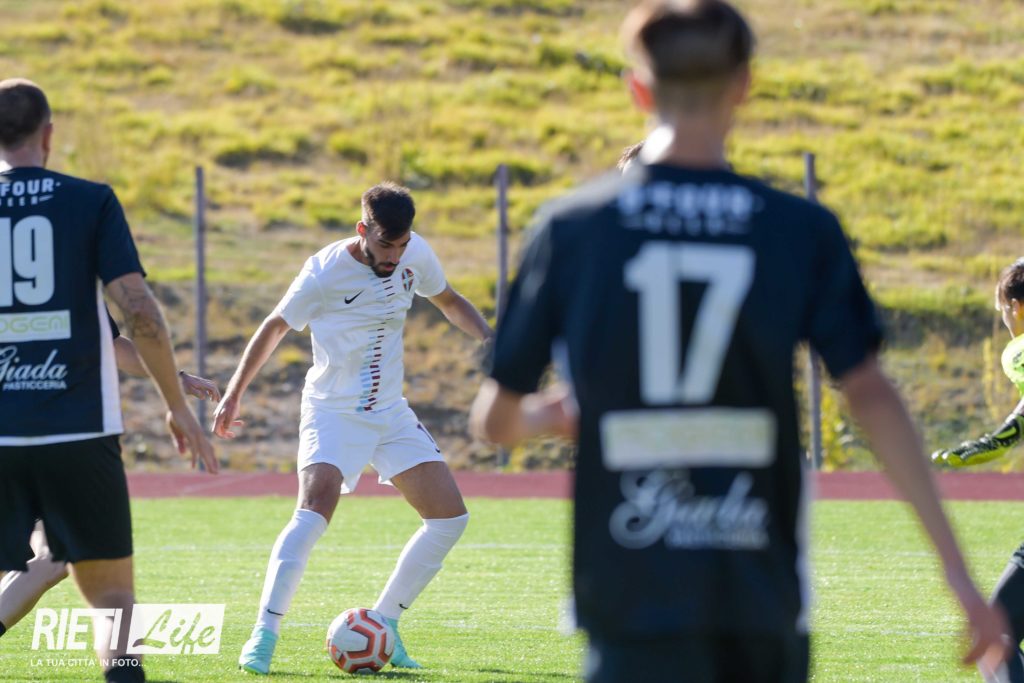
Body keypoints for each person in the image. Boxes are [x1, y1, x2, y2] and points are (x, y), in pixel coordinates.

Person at [469, 2, 1009, 682]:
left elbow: (494, 422)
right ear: (744, 86)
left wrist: (555, 415)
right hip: (759, 593)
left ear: (638, 89)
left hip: (631, 590)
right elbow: (870, 393)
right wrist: (958, 575)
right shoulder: (796, 228)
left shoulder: (573, 227)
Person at [212, 182, 492, 675]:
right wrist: (234, 394)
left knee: (449, 519)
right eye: (385, 245)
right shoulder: (322, 273)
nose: (395, 256)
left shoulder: (414, 254)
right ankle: (264, 633)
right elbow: (274, 326)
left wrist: (493, 340)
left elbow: (448, 300)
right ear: (363, 230)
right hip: (333, 412)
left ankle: (385, 624)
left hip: (390, 412)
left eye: (402, 245)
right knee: (312, 514)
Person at [0, 79, 217, 683]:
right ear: (48, 135)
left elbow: (113, 340)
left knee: (47, 563)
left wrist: (176, 380)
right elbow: (139, 311)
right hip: (77, 435)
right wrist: (176, 406)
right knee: (113, 605)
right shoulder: (89, 201)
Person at [0, 313, 220, 638]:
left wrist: (174, 378)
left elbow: (114, 345)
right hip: (53, 441)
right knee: (56, 557)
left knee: (51, 556)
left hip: (42, 442)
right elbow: (118, 340)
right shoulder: (72, 286)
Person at [933, 257, 1024, 681]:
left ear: (1017, 307)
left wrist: (983, 447)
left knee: (995, 637)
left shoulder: (1019, 351)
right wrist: (986, 444)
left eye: (1002, 309)